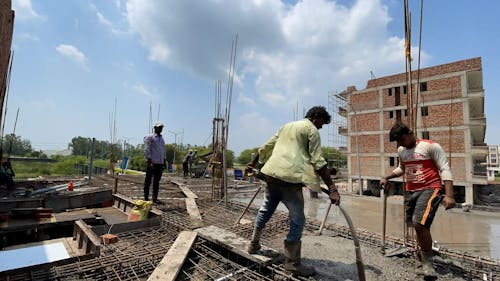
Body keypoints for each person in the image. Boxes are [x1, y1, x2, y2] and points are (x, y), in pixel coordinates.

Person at [246, 106, 340, 277]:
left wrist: (253, 163)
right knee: (298, 219)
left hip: (271, 174)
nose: (321, 127)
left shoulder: (286, 126)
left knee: (266, 209)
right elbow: (318, 161)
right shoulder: (311, 130)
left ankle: (253, 244)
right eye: (321, 123)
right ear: (315, 117)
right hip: (290, 179)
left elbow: (266, 147)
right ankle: (293, 264)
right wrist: (332, 188)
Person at [380, 122, 456, 277]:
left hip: (430, 188)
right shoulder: (402, 150)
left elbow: (444, 168)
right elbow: (403, 168)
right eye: (397, 142)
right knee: (417, 226)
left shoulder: (430, 146)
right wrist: (387, 176)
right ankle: (424, 255)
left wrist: (449, 195)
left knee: (419, 223)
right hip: (411, 191)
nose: (400, 144)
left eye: (401, 139)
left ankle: (428, 264)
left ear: (410, 133)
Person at [143, 122, 166, 204]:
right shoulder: (150, 137)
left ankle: (154, 198)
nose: (160, 129)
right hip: (152, 163)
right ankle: (146, 198)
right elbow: (146, 149)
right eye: (158, 127)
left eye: (161, 127)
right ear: (155, 128)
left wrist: (164, 161)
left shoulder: (162, 139)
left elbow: (163, 151)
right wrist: (150, 160)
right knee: (148, 181)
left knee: (156, 182)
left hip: (160, 163)